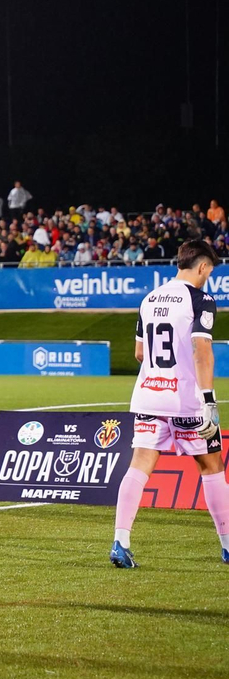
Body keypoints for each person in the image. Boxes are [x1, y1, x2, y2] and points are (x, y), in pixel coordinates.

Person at [110, 240, 228, 567]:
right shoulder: (201, 300)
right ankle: (227, 545)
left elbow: (139, 353)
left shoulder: (149, 299)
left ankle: (120, 541)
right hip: (186, 401)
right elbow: (202, 351)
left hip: (149, 396)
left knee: (139, 465)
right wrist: (209, 401)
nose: (207, 278)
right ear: (202, 267)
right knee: (211, 466)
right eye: (209, 272)